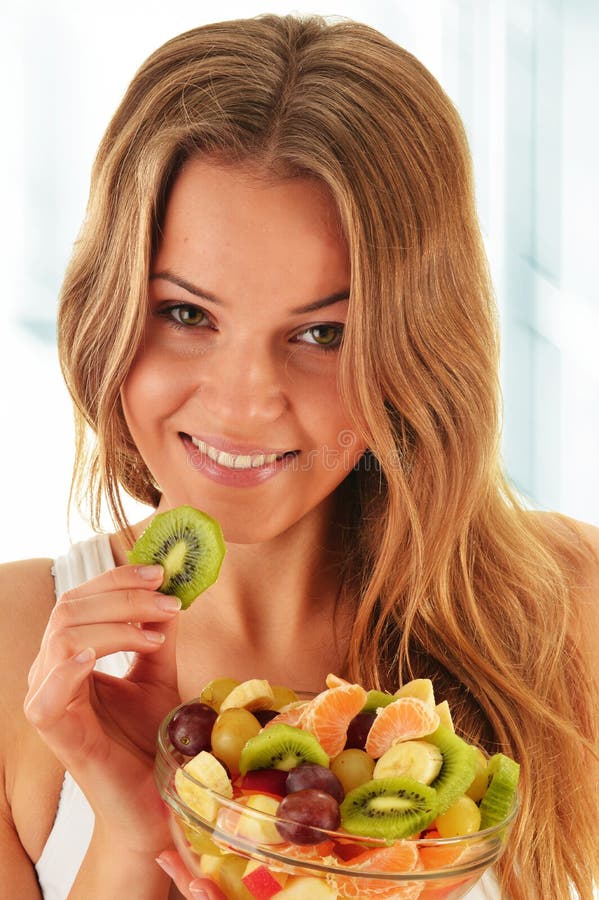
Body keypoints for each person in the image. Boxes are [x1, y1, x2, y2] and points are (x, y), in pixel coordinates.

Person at [0, 12, 597, 900]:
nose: (244, 401)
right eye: (187, 313)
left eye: (323, 332)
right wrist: (133, 836)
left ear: (415, 346)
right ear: (109, 310)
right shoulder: (15, 646)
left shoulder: (569, 611)